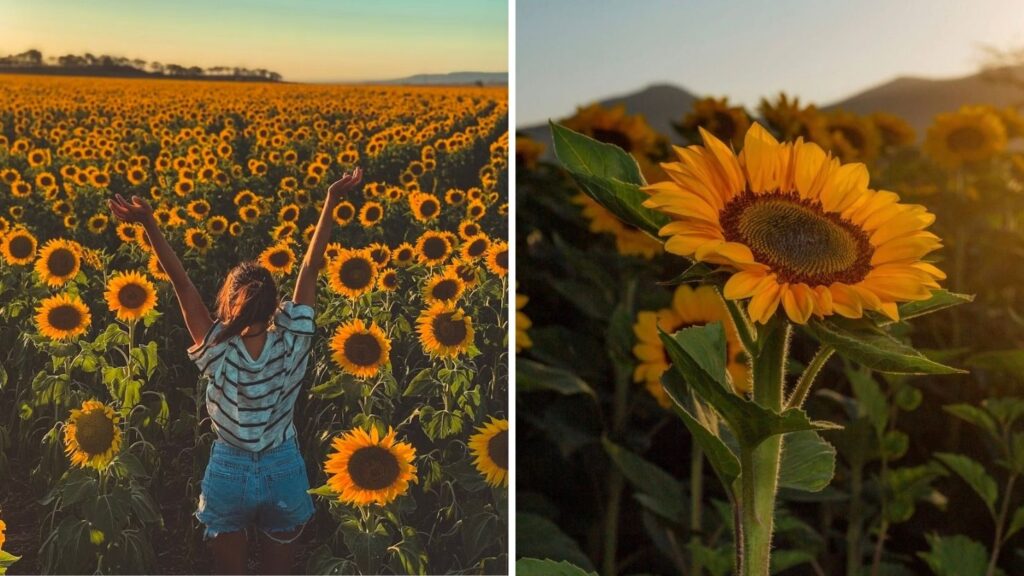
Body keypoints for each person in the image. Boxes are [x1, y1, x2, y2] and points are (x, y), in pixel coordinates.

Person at [108, 168, 363, 574]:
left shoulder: (218, 348)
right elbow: (310, 267)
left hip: (230, 470)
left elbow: (181, 284)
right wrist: (331, 200)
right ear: (274, 305)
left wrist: (149, 224)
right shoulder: (293, 341)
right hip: (283, 468)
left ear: (229, 304)